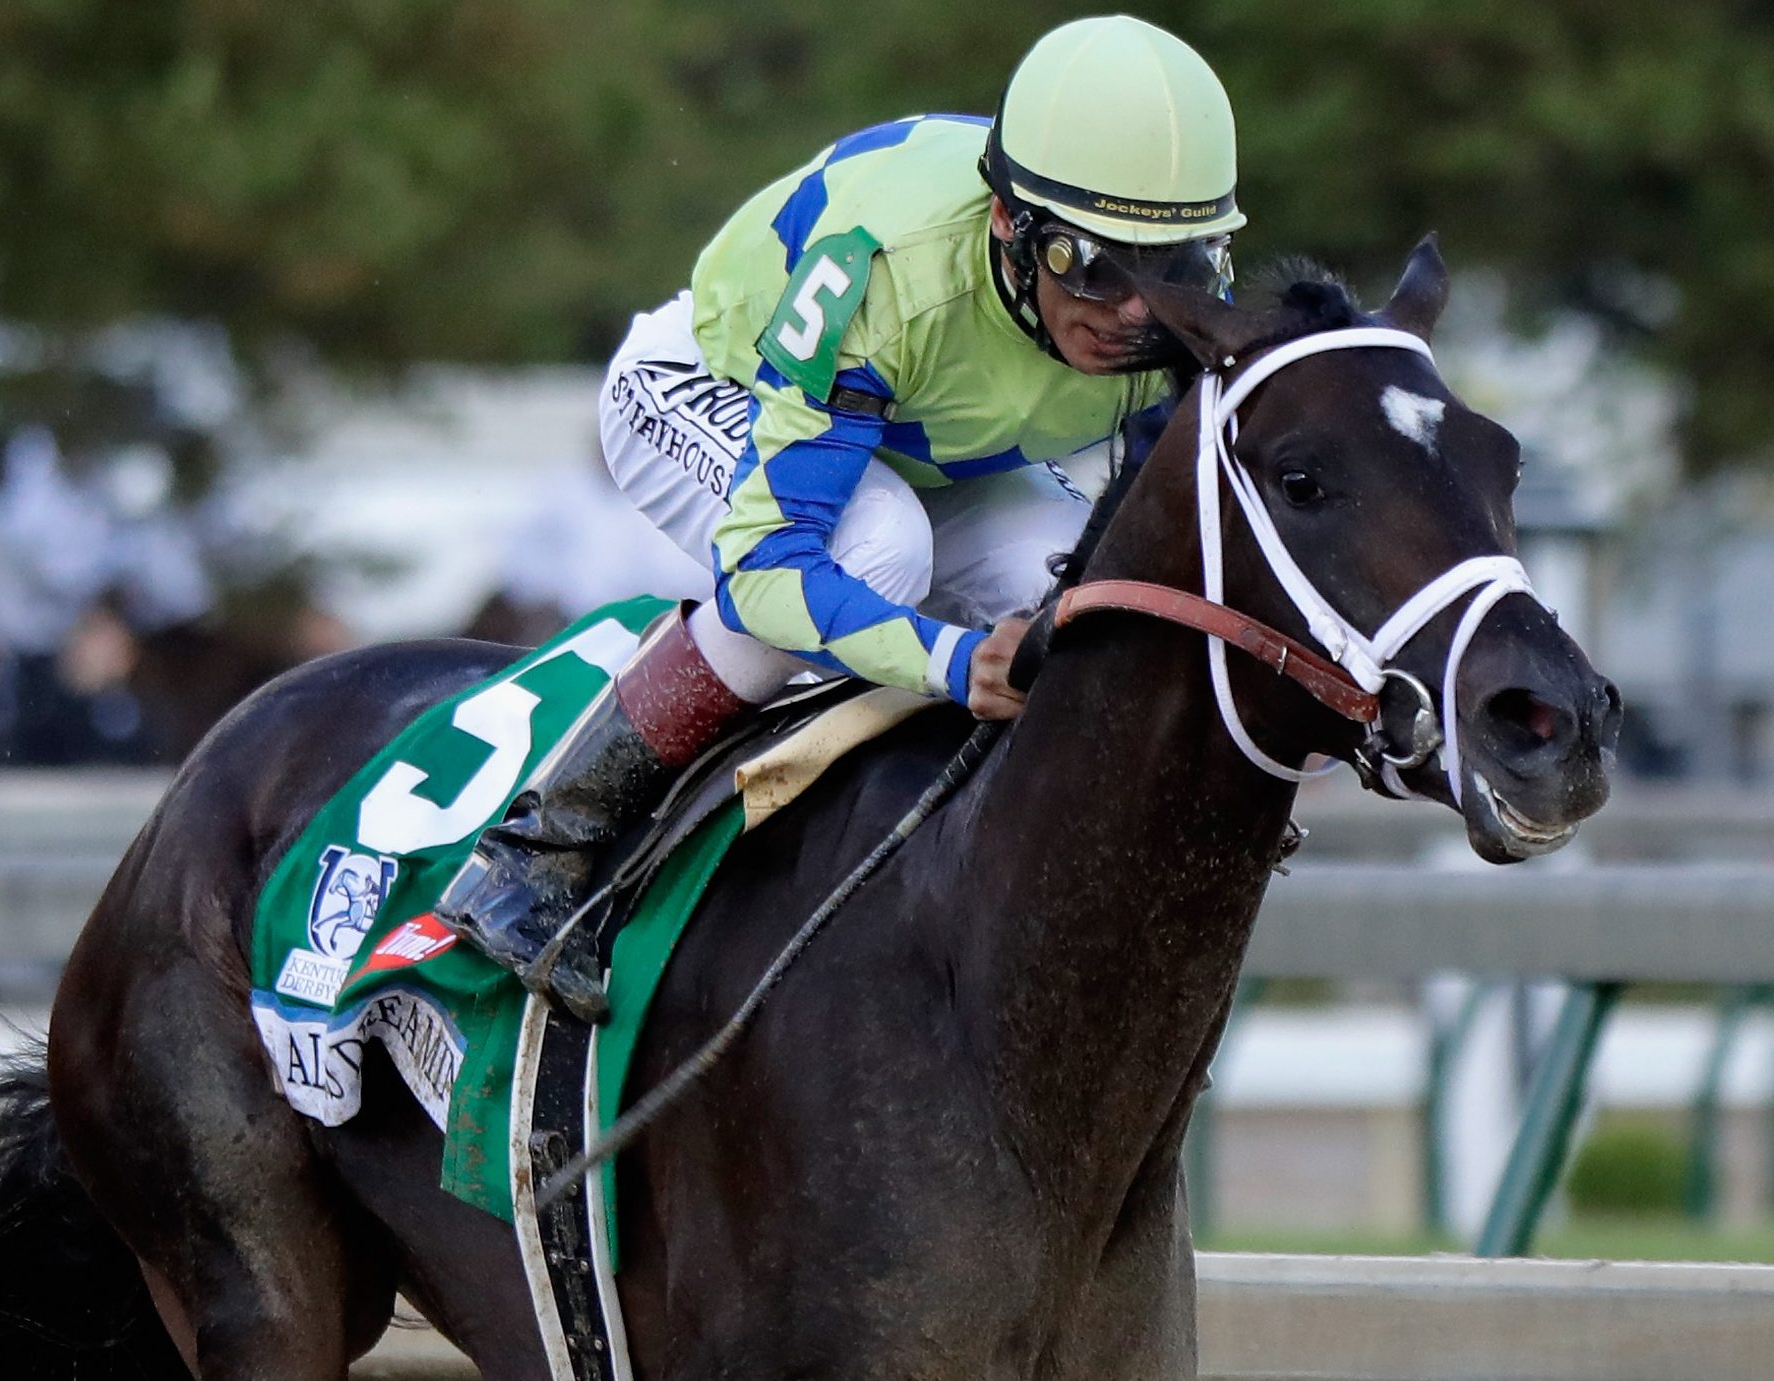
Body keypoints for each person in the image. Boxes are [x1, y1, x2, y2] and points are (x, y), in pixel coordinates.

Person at [439, 15, 1247, 1015]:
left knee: (1051, 586)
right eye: (1089, 263)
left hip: (918, 444)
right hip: (713, 383)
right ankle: (543, 847)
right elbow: (772, 569)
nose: (1131, 314)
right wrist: (953, 663)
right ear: (1009, 221)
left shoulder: (1162, 317)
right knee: (875, 548)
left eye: (1167, 269)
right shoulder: (883, 264)